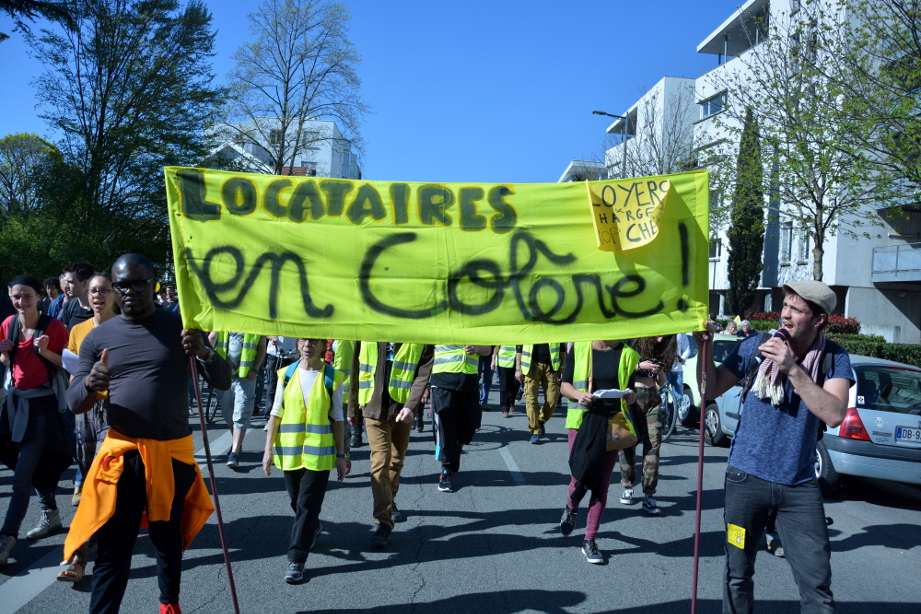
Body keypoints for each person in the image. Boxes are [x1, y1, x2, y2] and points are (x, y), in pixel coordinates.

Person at [64, 253, 230, 614]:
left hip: (171, 456)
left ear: (153, 284)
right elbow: (75, 401)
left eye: (140, 282)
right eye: (122, 284)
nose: (131, 291)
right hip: (121, 457)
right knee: (113, 548)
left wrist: (203, 352)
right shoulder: (98, 337)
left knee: (167, 541)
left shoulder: (180, 329)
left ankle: (169, 605)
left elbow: (222, 380)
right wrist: (90, 384)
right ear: (113, 289)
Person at [694, 280, 852, 614]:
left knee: (817, 585)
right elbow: (711, 388)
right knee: (737, 574)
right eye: (785, 306)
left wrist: (792, 369)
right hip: (744, 481)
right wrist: (704, 350)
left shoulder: (834, 357)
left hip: (799, 487)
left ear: (819, 319)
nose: (785, 314)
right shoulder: (757, 345)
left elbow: (835, 414)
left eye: (796, 309)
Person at [262, 338, 347, 584]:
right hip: (289, 451)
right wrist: (267, 451)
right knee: (296, 501)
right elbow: (276, 412)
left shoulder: (333, 377)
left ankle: (296, 560)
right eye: (303, 341)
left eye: (313, 342)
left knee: (307, 504)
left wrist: (341, 456)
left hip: (319, 453)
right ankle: (313, 527)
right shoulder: (286, 373)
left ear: (323, 347)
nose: (307, 345)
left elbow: (338, 418)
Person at [0, 275, 71, 566]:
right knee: (26, 463)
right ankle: (51, 512)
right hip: (15, 406)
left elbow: (68, 362)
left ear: (39, 296)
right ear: (10, 295)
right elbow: (10, 364)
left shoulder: (54, 327)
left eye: (27, 296)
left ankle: (6, 537)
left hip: (43, 408)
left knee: (21, 477)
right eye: (16, 296)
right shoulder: (8, 324)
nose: (21, 301)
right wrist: (4, 354)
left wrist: (46, 352)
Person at [56, 272, 118, 583]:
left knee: (98, 484)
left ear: (115, 295)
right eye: (94, 290)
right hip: (85, 414)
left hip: (118, 415)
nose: (98, 295)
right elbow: (72, 373)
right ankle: (104, 534)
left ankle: (80, 556)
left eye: (105, 290)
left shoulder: (126, 328)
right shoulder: (78, 330)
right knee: (97, 483)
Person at [558, 340, 638, 564]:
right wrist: (578, 394)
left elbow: (629, 390)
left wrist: (630, 396)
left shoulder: (628, 354)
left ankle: (589, 540)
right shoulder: (581, 347)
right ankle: (571, 508)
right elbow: (564, 386)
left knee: (601, 484)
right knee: (579, 476)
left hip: (612, 425)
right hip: (581, 422)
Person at [349, 342, 433, 547]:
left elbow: (423, 372)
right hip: (373, 405)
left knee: (396, 461)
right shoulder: (369, 329)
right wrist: (352, 407)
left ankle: (388, 500)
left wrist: (411, 406)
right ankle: (383, 521)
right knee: (380, 461)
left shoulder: (419, 333)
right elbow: (355, 368)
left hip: (402, 408)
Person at [620, 335, 676, 515]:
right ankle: (628, 486)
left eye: (665, 337)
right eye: (658, 335)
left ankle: (649, 494)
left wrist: (659, 372)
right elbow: (620, 368)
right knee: (628, 443)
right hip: (631, 396)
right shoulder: (633, 341)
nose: (660, 339)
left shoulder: (665, 348)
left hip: (652, 398)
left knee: (653, 447)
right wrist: (640, 366)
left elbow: (662, 382)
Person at [429, 344, 490, 492]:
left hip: (468, 381)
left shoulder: (474, 323)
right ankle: (445, 471)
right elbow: (426, 353)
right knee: (445, 427)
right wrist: (424, 385)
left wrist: (477, 348)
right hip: (442, 380)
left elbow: (487, 349)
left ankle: (456, 449)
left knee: (471, 423)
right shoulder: (438, 322)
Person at [208, 331, 267, 469]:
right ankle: (238, 444)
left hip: (245, 377)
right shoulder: (223, 320)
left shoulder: (255, 323)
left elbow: (262, 348)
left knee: (240, 413)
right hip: (225, 376)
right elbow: (210, 341)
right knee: (227, 414)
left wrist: (256, 369)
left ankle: (234, 452)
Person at [517, 343, 564, 444]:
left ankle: (540, 420)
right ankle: (535, 430)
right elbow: (519, 348)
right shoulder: (529, 328)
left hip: (551, 368)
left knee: (552, 399)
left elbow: (562, 348)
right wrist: (518, 368)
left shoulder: (555, 327)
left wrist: (563, 366)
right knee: (531, 401)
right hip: (531, 366)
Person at [58, 262, 95, 331]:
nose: (66, 286)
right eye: (66, 282)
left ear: (85, 283)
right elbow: (66, 338)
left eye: (71, 282)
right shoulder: (69, 306)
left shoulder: (103, 307)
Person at [492, 345, 521, 418]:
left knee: (516, 384)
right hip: (504, 361)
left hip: (517, 360)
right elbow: (496, 346)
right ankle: (505, 409)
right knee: (504, 386)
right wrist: (493, 360)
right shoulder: (502, 333)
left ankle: (511, 402)